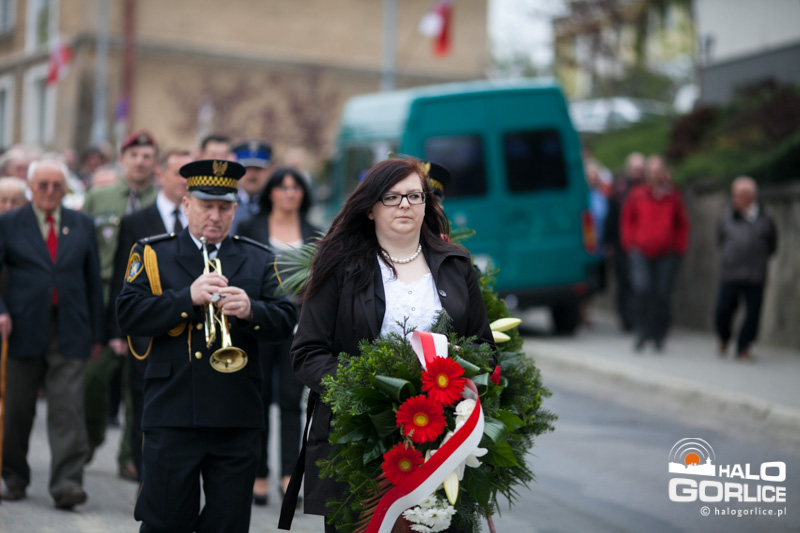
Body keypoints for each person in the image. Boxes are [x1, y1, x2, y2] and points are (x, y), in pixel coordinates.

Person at [289, 158, 495, 532]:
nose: (405, 205)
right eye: (392, 197)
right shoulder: (338, 267)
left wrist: (459, 379)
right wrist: (370, 389)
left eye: (415, 196)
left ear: (427, 205)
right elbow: (308, 353)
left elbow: (485, 348)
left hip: (440, 439)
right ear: (370, 208)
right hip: (357, 438)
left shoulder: (456, 264)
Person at [116, 159, 298, 533]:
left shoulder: (259, 257)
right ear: (186, 205)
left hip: (236, 414)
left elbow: (285, 320)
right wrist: (185, 298)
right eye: (205, 206)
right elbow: (129, 314)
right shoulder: (153, 253)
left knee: (228, 523)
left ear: (235, 209)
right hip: (173, 409)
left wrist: (252, 310)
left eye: (224, 207)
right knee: (165, 521)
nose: (215, 216)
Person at [0, 159, 103, 509]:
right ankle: (13, 477)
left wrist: (98, 333)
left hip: (70, 326)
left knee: (68, 408)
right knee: (17, 408)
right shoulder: (10, 223)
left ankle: (67, 484)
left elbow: (92, 280)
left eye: (56, 185)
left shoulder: (82, 223)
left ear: (65, 189)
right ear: (30, 188)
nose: (49, 191)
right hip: (22, 326)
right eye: (42, 185)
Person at [106, 149, 194, 480]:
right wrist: (117, 331)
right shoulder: (137, 221)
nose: (185, 181)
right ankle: (142, 474)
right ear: (161, 175)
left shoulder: (200, 220)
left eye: (190, 175)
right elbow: (122, 278)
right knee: (141, 400)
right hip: (147, 328)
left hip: (188, 330)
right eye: (179, 173)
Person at [238, 166, 321, 506]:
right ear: (271, 192)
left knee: (290, 400)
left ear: (303, 193)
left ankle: (290, 475)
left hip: (297, 327)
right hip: (258, 323)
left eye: (295, 187)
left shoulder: (314, 233)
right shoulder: (250, 227)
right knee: (256, 399)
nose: (289, 193)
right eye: (282, 187)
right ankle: (258, 473)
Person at [82, 130, 159, 479]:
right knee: (94, 376)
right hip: (100, 294)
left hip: (145, 298)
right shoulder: (99, 197)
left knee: (138, 383)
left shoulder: (163, 201)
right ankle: (92, 435)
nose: (140, 162)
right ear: (122, 159)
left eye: (147, 156)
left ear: (155, 162)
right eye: (134, 155)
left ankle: (130, 454)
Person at [621, 155, 690, 353]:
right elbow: (627, 220)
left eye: (657, 171)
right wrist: (630, 244)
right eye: (650, 171)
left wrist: (679, 248)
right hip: (640, 251)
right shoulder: (637, 194)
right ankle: (641, 331)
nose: (654, 175)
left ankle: (659, 335)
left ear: (663, 172)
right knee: (642, 288)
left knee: (663, 293)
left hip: (667, 253)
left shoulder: (672, 195)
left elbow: (682, 224)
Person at [714, 176, 777, 361]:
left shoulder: (765, 218)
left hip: (755, 273)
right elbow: (720, 240)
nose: (735, 199)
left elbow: (773, 244)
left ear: (752, 196)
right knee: (723, 310)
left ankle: (744, 347)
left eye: (739, 195)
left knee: (753, 314)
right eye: (734, 195)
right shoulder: (727, 217)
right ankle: (724, 337)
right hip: (731, 272)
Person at [604, 152, 645, 331]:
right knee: (624, 282)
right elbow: (612, 216)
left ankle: (638, 316)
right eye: (634, 169)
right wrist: (608, 242)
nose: (637, 172)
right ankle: (626, 317)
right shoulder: (620, 190)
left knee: (639, 283)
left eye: (640, 169)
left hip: (640, 244)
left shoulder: (649, 189)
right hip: (620, 244)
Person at [231, 140, 272, 233]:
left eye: (258, 169)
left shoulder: (275, 203)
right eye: (247, 168)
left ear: (269, 171)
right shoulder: (227, 201)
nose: (252, 175)